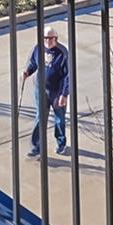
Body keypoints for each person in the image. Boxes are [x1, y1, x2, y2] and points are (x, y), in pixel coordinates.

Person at [22, 24, 71, 157]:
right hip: (41, 90)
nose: (48, 41)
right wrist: (28, 71)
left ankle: (61, 144)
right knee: (39, 118)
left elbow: (67, 76)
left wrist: (64, 94)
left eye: (51, 38)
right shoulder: (38, 48)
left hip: (57, 92)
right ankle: (36, 146)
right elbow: (33, 63)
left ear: (56, 38)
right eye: (45, 38)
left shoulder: (62, 53)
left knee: (59, 119)